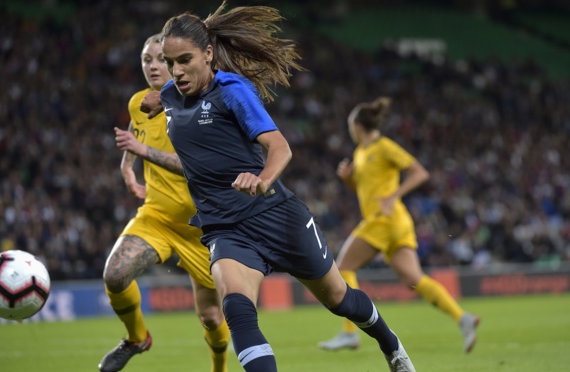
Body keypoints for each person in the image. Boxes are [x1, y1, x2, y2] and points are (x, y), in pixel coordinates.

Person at [115, 3, 415, 371]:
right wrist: (154, 106)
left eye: (184, 60)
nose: (176, 71)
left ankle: (392, 345)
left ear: (208, 54)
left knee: (340, 299)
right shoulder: (172, 94)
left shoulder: (232, 90)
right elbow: (164, 103)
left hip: (275, 213)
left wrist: (261, 179)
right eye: (169, 61)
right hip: (224, 227)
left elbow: (279, 147)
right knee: (237, 309)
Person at [99, 34, 230, 372]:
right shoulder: (138, 102)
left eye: (161, 59)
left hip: (201, 230)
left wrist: (143, 154)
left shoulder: (197, 106)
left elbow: (199, 167)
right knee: (115, 275)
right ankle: (137, 338)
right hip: (156, 217)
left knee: (212, 317)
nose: (153, 66)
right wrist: (128, 168)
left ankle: (220, 368)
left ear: (176, 63)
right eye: (146, 59)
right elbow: (136, 130)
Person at [318, 97, 480, 354]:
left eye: (350, 125)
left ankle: (350, 333)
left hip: (384, 221)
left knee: (343, 268)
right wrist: (348, 180)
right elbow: (365, 190)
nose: (350, 130)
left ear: (357, 125)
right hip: (395, 222)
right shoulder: (360, 153)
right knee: (413, 279)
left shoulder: (384, 147)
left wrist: (395, 194)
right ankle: (463, 318)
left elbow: (420, 172)